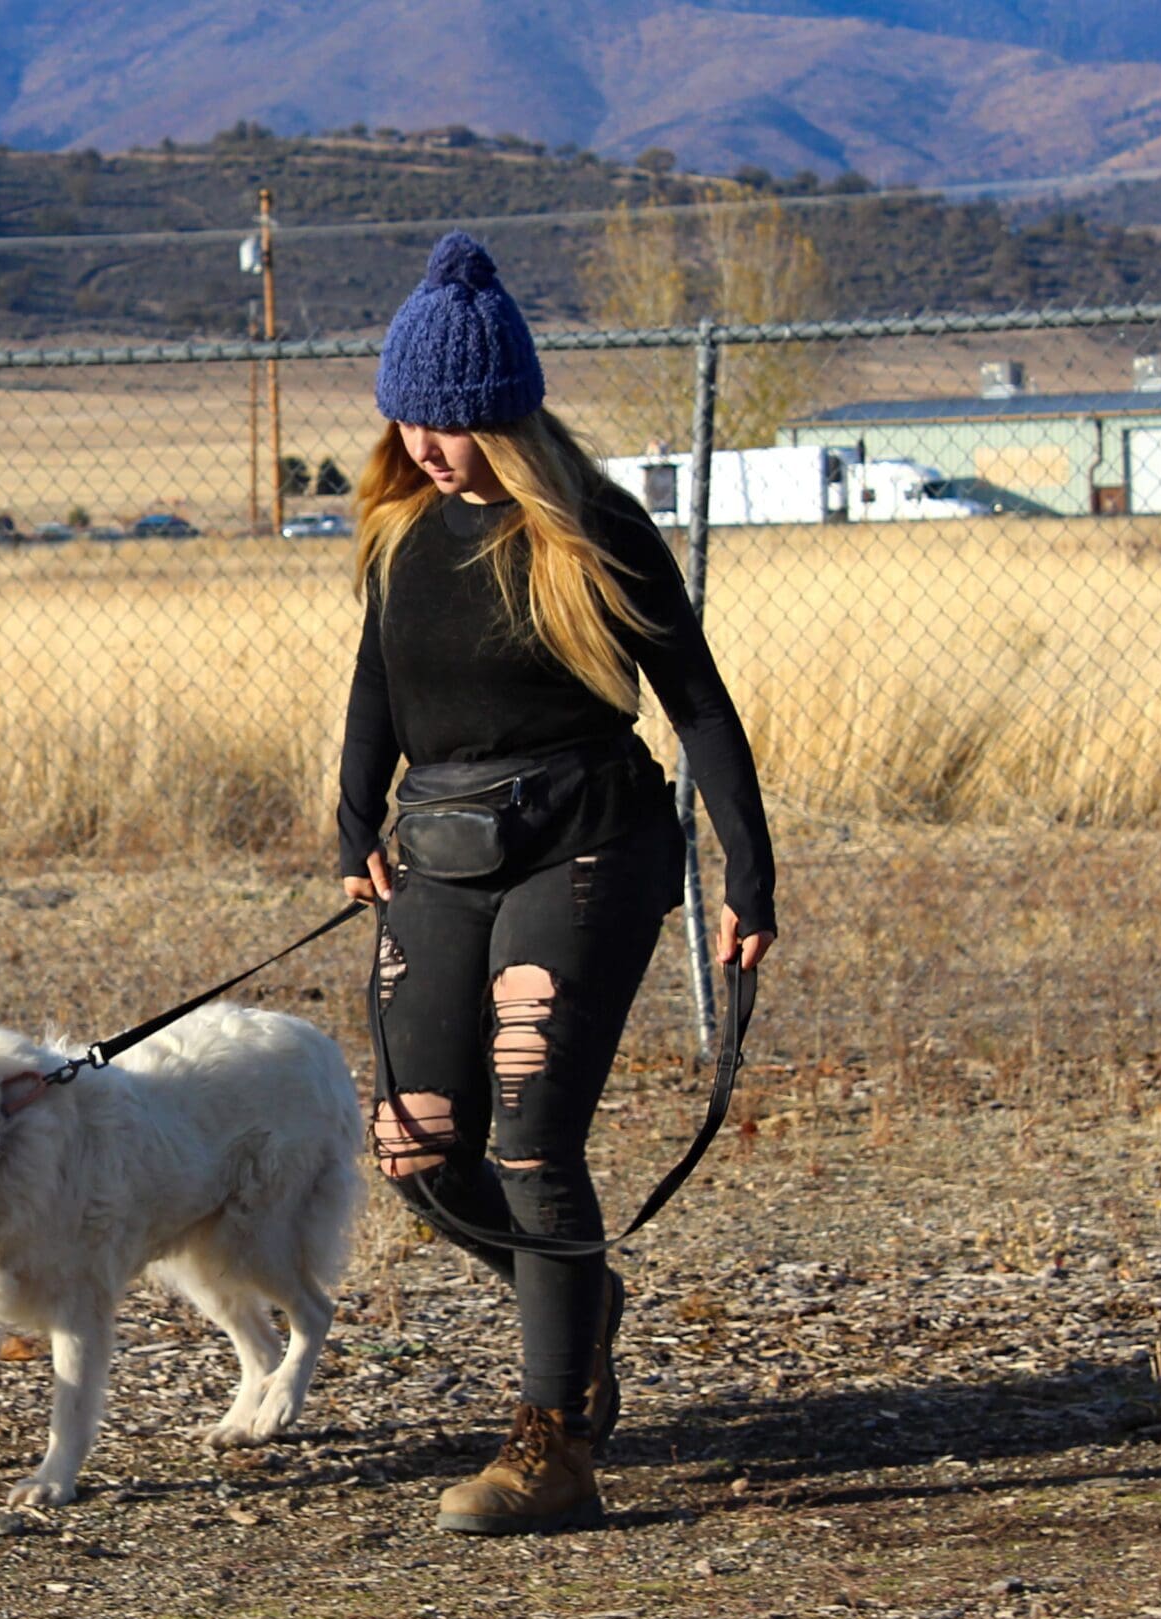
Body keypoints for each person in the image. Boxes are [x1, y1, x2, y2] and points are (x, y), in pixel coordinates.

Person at [337, 232, 777, 1534]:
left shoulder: (598, 531)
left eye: (459, 420)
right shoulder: (399, 533)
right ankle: (575, 1296)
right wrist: (354, 815)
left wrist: (746, 876)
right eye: (412, 413)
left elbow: (699, 710)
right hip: (442, 850)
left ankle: (554, 1445)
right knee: (418, 1149)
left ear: (512, 415)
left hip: (588, 846)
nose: (430, 440)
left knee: (533, 1143)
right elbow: (378, 688)